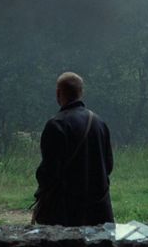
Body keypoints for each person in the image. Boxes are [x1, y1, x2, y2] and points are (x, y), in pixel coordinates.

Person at [32, 72, 114, 226]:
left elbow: (49, 171)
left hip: (65, 212)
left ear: (58, 93)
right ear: (81, 93)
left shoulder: (56, 124)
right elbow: (108, 166)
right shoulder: (99, 122)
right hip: (98, 211)